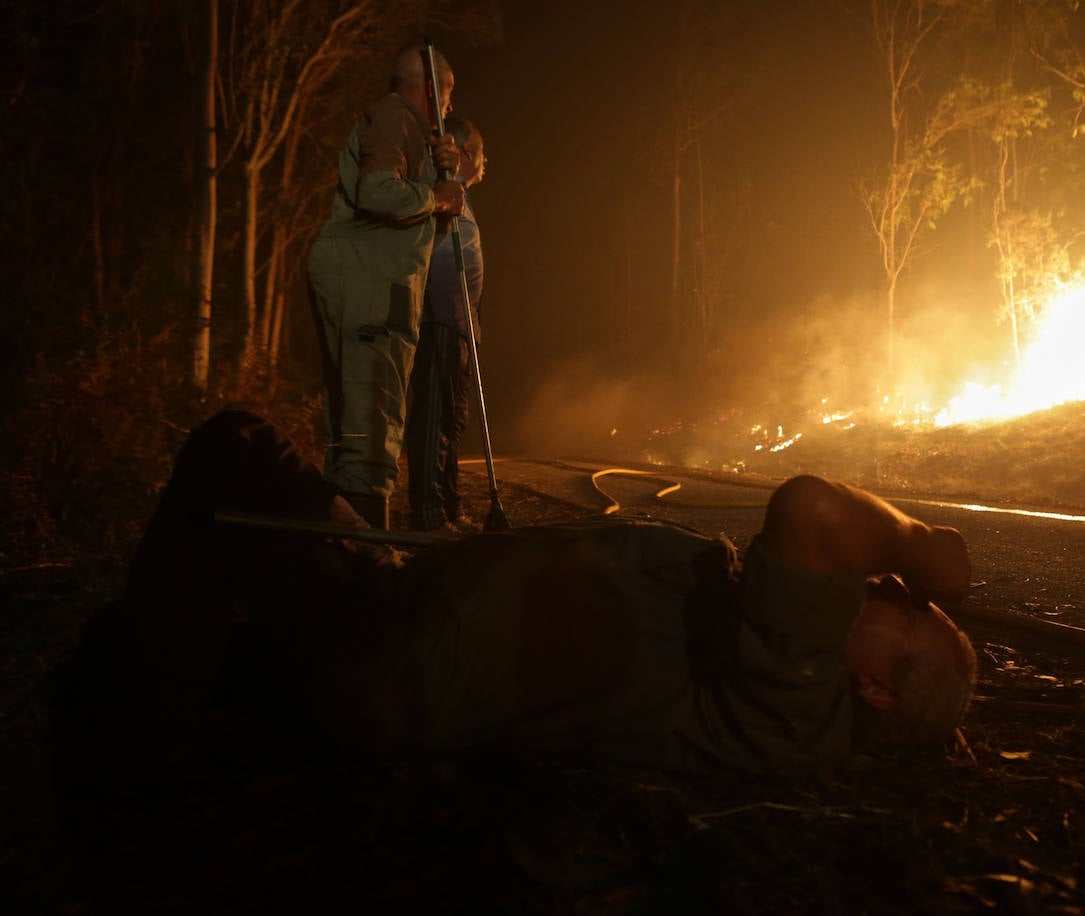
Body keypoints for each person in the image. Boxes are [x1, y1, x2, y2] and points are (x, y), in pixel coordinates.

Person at [62, 412, 978, 774]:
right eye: (907, 591)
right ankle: (136, 673)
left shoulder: (795, 688)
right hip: (403, 613)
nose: (888, 587)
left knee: (236, 452)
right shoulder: (790, 682)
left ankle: (125, 722)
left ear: (877, 687)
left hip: (386, 649)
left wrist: (926, 547)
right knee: (249, 563)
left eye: (906, 609)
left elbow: (812, 506)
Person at [307, 45, 467, 530]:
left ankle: (347, 540)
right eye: (448, 95)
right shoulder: (394, 117)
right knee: (372, 414)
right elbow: (377, 192)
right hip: (367, 281)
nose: (450, 108)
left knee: (361, 416)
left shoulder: (407, 127)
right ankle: (366, 552)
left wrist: (443, 175)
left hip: (375, 278)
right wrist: (436, 197)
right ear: (427, 87)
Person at [405, 118, 487, 532]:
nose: (487, 161)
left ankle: (449, 506)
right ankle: (427, 512)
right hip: (438, 319)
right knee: (433, 419)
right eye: (483, 151)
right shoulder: (440, 189)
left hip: (458, 326)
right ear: (467, 153)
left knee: (452, 422)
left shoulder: (462, 198)